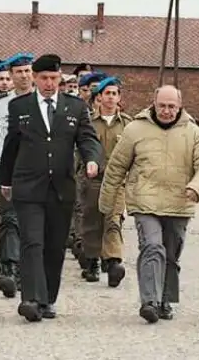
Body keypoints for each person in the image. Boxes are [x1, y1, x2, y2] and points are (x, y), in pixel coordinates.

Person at [98, 85, 199, 323]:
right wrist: (106, 202)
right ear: (153, 104)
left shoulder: (193, 132)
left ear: (179, 106)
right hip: (145, 202)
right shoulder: (135, 130)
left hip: (179, 202)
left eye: (171, 106)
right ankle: (150, 301)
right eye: (162, 106)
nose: (166, 111)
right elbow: (116, 168)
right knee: (153, 247)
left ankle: (165, 301)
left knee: (171, 255)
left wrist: (197, 186)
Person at [0, 53, 103, 322]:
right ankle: (31, 299)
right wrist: (6, 181)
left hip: (61, 187)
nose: (49, 83)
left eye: (54, 78)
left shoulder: (75, 107)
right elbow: (11, 146)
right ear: (34, 78)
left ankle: (48, 299)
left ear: (60, 78)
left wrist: (92, 159)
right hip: (28, 187)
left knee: (54, 246)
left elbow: (87, 139)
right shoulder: (19, 106)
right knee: (32, 241)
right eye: (43, 78)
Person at [0, 52, 34, 298]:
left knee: (31, 219)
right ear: (11, 76)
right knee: (10, 217)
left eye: (27, 71)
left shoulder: (45, 103)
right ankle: (10, 267)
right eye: (19, 72)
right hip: (5, 165)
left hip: (34, 169)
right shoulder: (1, 106)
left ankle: (28, 269)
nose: (23, 76)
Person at [78, 76, 132, 286]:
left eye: (114, 93)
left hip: (116, 182)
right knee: (92, 221)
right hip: (92, 180)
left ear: (119, 97)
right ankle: (92, 260)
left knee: (113, 219)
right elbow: (79, 150)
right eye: (107, 93)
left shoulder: (127, 124)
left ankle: (113, 261)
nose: (111, 97)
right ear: (99, 97)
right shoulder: (88, 122)